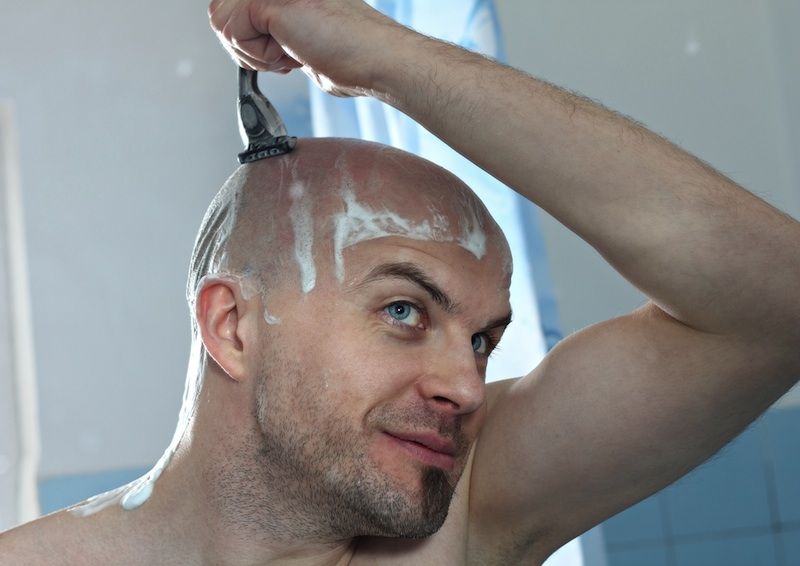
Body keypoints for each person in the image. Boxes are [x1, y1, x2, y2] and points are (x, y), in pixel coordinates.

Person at [2, 1, 799, 564]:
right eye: (404, 310)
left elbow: (777, 304)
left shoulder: (470, 514)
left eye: (485, 340)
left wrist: (387, 60)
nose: (467, 386)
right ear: (232, 326)